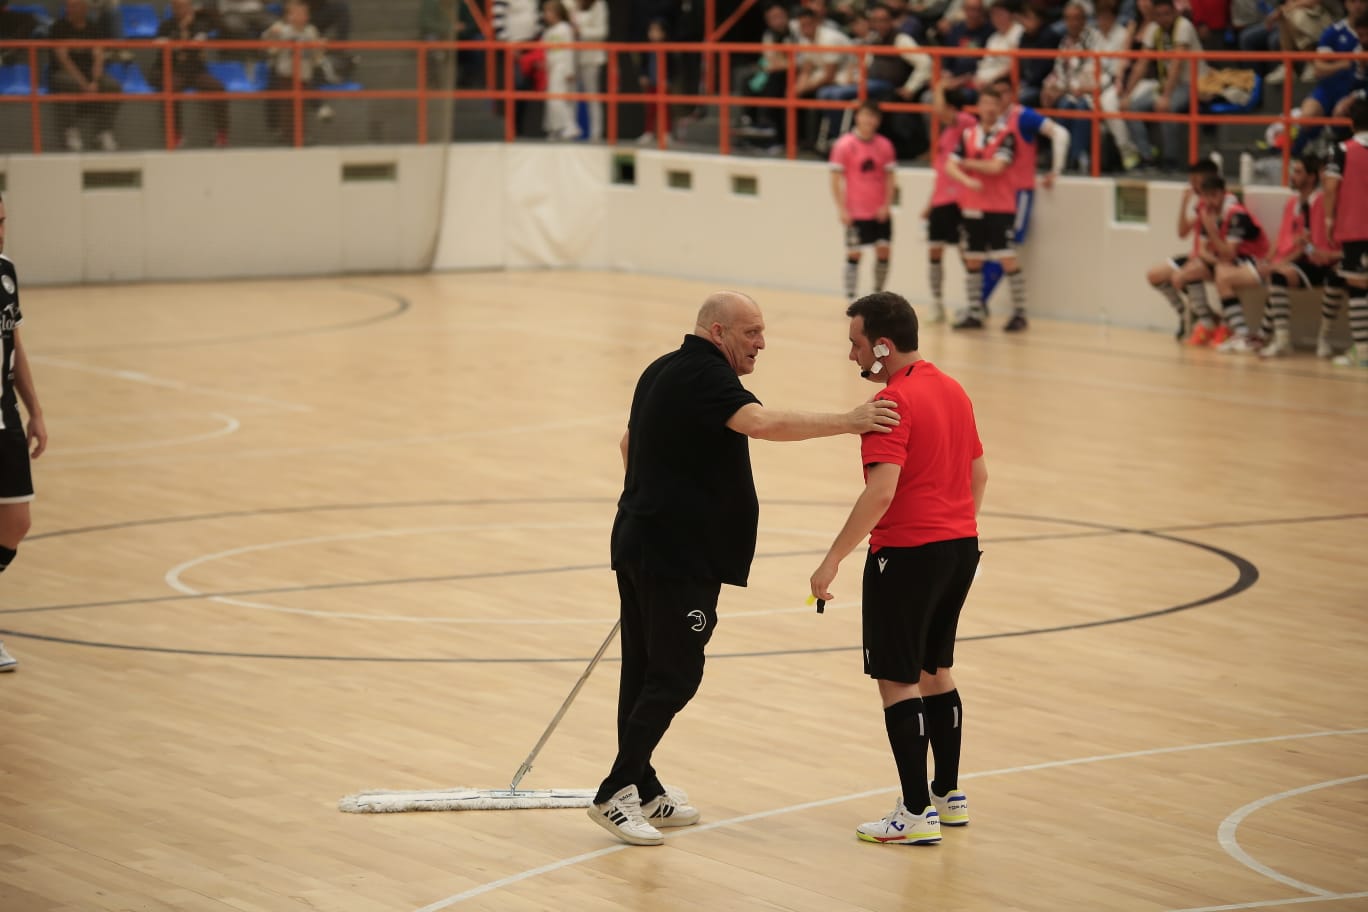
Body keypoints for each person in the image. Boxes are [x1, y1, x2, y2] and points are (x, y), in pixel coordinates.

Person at [589, 291, 902, 846]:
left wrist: (649, 501)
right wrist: (849, 420)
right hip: (677, 555)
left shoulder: (662, 369)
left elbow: (629, 443)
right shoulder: (708, 378)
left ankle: (644, 784)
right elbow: (761, 424)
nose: (762, 342)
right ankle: (616, 790)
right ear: (717, 332)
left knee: (643, 670)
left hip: (643, 542)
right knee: (676, 674)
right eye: (751, 332)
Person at [809, 291, 986, 846]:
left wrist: (832, 558)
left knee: (898, 679)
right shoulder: (952, 389)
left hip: (906, 556)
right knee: (937, 670)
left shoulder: (890, 406)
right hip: (959, 548)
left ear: (882, 347)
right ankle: (947, 797)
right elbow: (979, 475)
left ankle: (913, 813)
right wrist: (952, 529)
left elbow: (881, 492)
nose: (853, 357)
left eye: (857, 345)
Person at [0, 194, 50, 674]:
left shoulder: (6, 272)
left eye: (1, 222)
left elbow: (14, 340)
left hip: (4, 418)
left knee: (16, 524)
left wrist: (35, 410)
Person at [975, 76, 1069, 330]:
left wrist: (1056, 169)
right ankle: (979, 305)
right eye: (996, 94)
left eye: (1005, 93)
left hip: (1018, 194)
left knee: (1005, 250)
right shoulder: (988, 123)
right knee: (984, 251)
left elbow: (1060, 133)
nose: (1001, 99)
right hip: (991, 194)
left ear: (1013, 94)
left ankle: (986, 305)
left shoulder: (1023, 116)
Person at [1244, 154, 1345, 357]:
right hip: (1309, 261)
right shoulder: (1297, 204)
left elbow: (1318, 247)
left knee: (1331, 279)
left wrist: (1315, 253)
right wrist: (1272, 260)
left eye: (1298, 172)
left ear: (1312, 177)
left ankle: (1321, 338)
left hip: (1332, 263)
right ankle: (1280, 340)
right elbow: (1306, 246)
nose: (1292, 175)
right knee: (1278, 276)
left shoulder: (1324, 202)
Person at [945, 84, 1019, 330]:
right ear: (979, 106)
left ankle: (1020, 312)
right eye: (985, 103)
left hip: (1000, 206)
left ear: (1000, 108)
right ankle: (975, 312)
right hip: (973, 205)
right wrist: (966, 179)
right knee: (973, 258)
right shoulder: (968, 135)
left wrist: (968, 163)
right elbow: (949, 166)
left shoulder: (1006, 134)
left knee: (1007, 257)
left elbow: (998, 167)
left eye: (993, 104)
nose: (989, 108)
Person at [1119, 0, 1204, 169]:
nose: (1163, 19)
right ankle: (1147, 157)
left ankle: (1171, 160)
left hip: (1192, 82)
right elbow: (1142, 64)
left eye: (1167, 14)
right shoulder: (1153, 29)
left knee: (1166, 106)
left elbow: (1177, 64)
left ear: (1174, 12)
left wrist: (1165, 96)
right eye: (1159, 15)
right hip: (1166, 83)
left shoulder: (1184, 26)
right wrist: (1127, 95)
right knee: (1130, 107)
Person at [1145, 158, 1221, 340]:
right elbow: (1182, 232)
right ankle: (1188, 314)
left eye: (1195, 181)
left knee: (1182, 276)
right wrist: (1184, 204)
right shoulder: (1200, 203)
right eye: (1191, 181)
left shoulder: (1218, 202)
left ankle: (1205, 319)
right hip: (1195, 255)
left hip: (1209, 258)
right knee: (1154, 275)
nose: (1192, 185)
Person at [830, 101, 899, 303]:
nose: (869, 120)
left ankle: (879, 295)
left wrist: (887, 204)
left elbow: (890, 178)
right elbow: (835, 179)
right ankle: (850, 298)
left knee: (884, 250)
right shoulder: (844, 145)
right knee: (854, 254)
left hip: (879, 210)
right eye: (865, 115)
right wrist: (842, 209)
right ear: (857, 117)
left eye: (873, 116)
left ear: (878, 120)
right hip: (855, 211)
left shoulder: (885, 145)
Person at [924, 85, 977, 322]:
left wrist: (942, 83)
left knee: (967, 253)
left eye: (938, 101)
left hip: (960, 199)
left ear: (950, 106)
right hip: (940, 200)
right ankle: (937, 304)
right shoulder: (946, 133)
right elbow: (941, 172)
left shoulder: (965, 122)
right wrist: (929, 202)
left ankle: (974, 305)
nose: (934, 107)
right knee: (935, 251)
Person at [1201, 174, 1270, 352]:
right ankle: (1209, 321)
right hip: (1239, 261)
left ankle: (1240, 332)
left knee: (1222, 276)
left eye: (1213, 196)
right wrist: (1218, 259)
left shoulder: (1236, 214)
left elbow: (1230, 252)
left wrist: (1211, 231)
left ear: (1223, 194)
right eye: (1206, 196)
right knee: (1197, 271)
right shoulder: (1211, 213)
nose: (1209, 201)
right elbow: (1205, 251)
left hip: (1259, 262)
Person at [1324, 97, 1368, 367]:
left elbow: (1330, 188)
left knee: (1357, 285)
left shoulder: (1342, 150)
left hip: (1355, 227)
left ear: (1351, 123)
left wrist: (1329, 220)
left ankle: (1363, 350)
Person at [153, 0, 230, 149]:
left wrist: (181, 42)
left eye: (185, 6)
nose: (181, 10)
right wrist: (181, 32)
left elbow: (200, 41)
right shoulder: (166, 26)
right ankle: (175, 134)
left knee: (218, 88)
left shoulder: (200, 25)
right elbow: (160, 45)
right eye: (177, 7)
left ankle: (221, 134)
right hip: (175, 71)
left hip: (196, 71)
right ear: (173, 8)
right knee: (170, 88)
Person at [48, 0, 122, 153]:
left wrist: (94, 81)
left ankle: (103, 132)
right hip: (64, 73)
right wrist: (84, 84)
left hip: (90, 75)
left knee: (113, 86)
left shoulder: (93, 28)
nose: (72, 9)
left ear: (85, 8)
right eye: (70, 6)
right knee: (66, 83)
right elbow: (64, 60)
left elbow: (98, 57)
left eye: (76, 6)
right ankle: (71, 131)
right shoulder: (59, 27)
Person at [262, 1, 332, 141]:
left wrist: (321, 46)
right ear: (289, 16)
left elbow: (317, 54)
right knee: (287, 107)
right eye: (297, 13)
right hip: (286, 74)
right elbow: (267, 44)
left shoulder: (310, 31)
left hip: (304, 74)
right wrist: (272, 35)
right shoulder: (281, 29)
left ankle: (301, 135)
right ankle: (287, 135)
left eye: (304, 13)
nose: (302, 16)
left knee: (301, 108)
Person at [541, 0, 579, 140]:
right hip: (551, 69)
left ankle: (570, 127)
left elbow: (569, 50)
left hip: (562, 68)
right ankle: (555, 128)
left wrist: (570, 71)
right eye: (545, 11)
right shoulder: (548, 32)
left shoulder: (565, 29)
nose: (546, 15)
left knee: (558, 99)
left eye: (549, 11)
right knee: (551, 99)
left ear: (558, 13)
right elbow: (544, 51)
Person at [571, 0, 607, 140]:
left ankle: (596, 134)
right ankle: (570, 131)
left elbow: (602, 32)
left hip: (592, 57)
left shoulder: (599, 5)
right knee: (570, 96)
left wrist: (581, 31)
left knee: (592, 95)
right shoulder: (571, 4)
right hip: (572, 57)